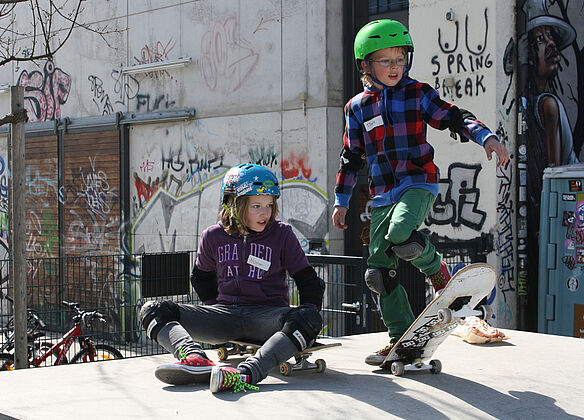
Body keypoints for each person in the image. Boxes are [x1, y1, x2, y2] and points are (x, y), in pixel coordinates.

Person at [331, 19, 509, 366]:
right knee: (379, 272)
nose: (395, 67)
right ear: (365, 64)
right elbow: (351, 157)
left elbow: (453, 117)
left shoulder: (417, 93)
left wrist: (485, 137)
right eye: (385, 60)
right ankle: (400, 340)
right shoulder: (356, 108)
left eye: (400, 59)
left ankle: (438, 273)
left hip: (418, 182)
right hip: (382, 192)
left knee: (402, 234)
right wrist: (341, 201)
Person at [139, 163, 324, 393]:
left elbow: (307, 279)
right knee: (152, 310)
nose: (265, 213)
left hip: (267, 317)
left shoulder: (282, 234)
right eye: (256, 206)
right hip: (224, 315)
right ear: (234, 204)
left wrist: (305, 319)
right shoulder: (213, 236)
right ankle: (195, 359)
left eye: (269, 205)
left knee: (309, 317)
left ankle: (246, 373)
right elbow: (200, 277)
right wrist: (212, 308)